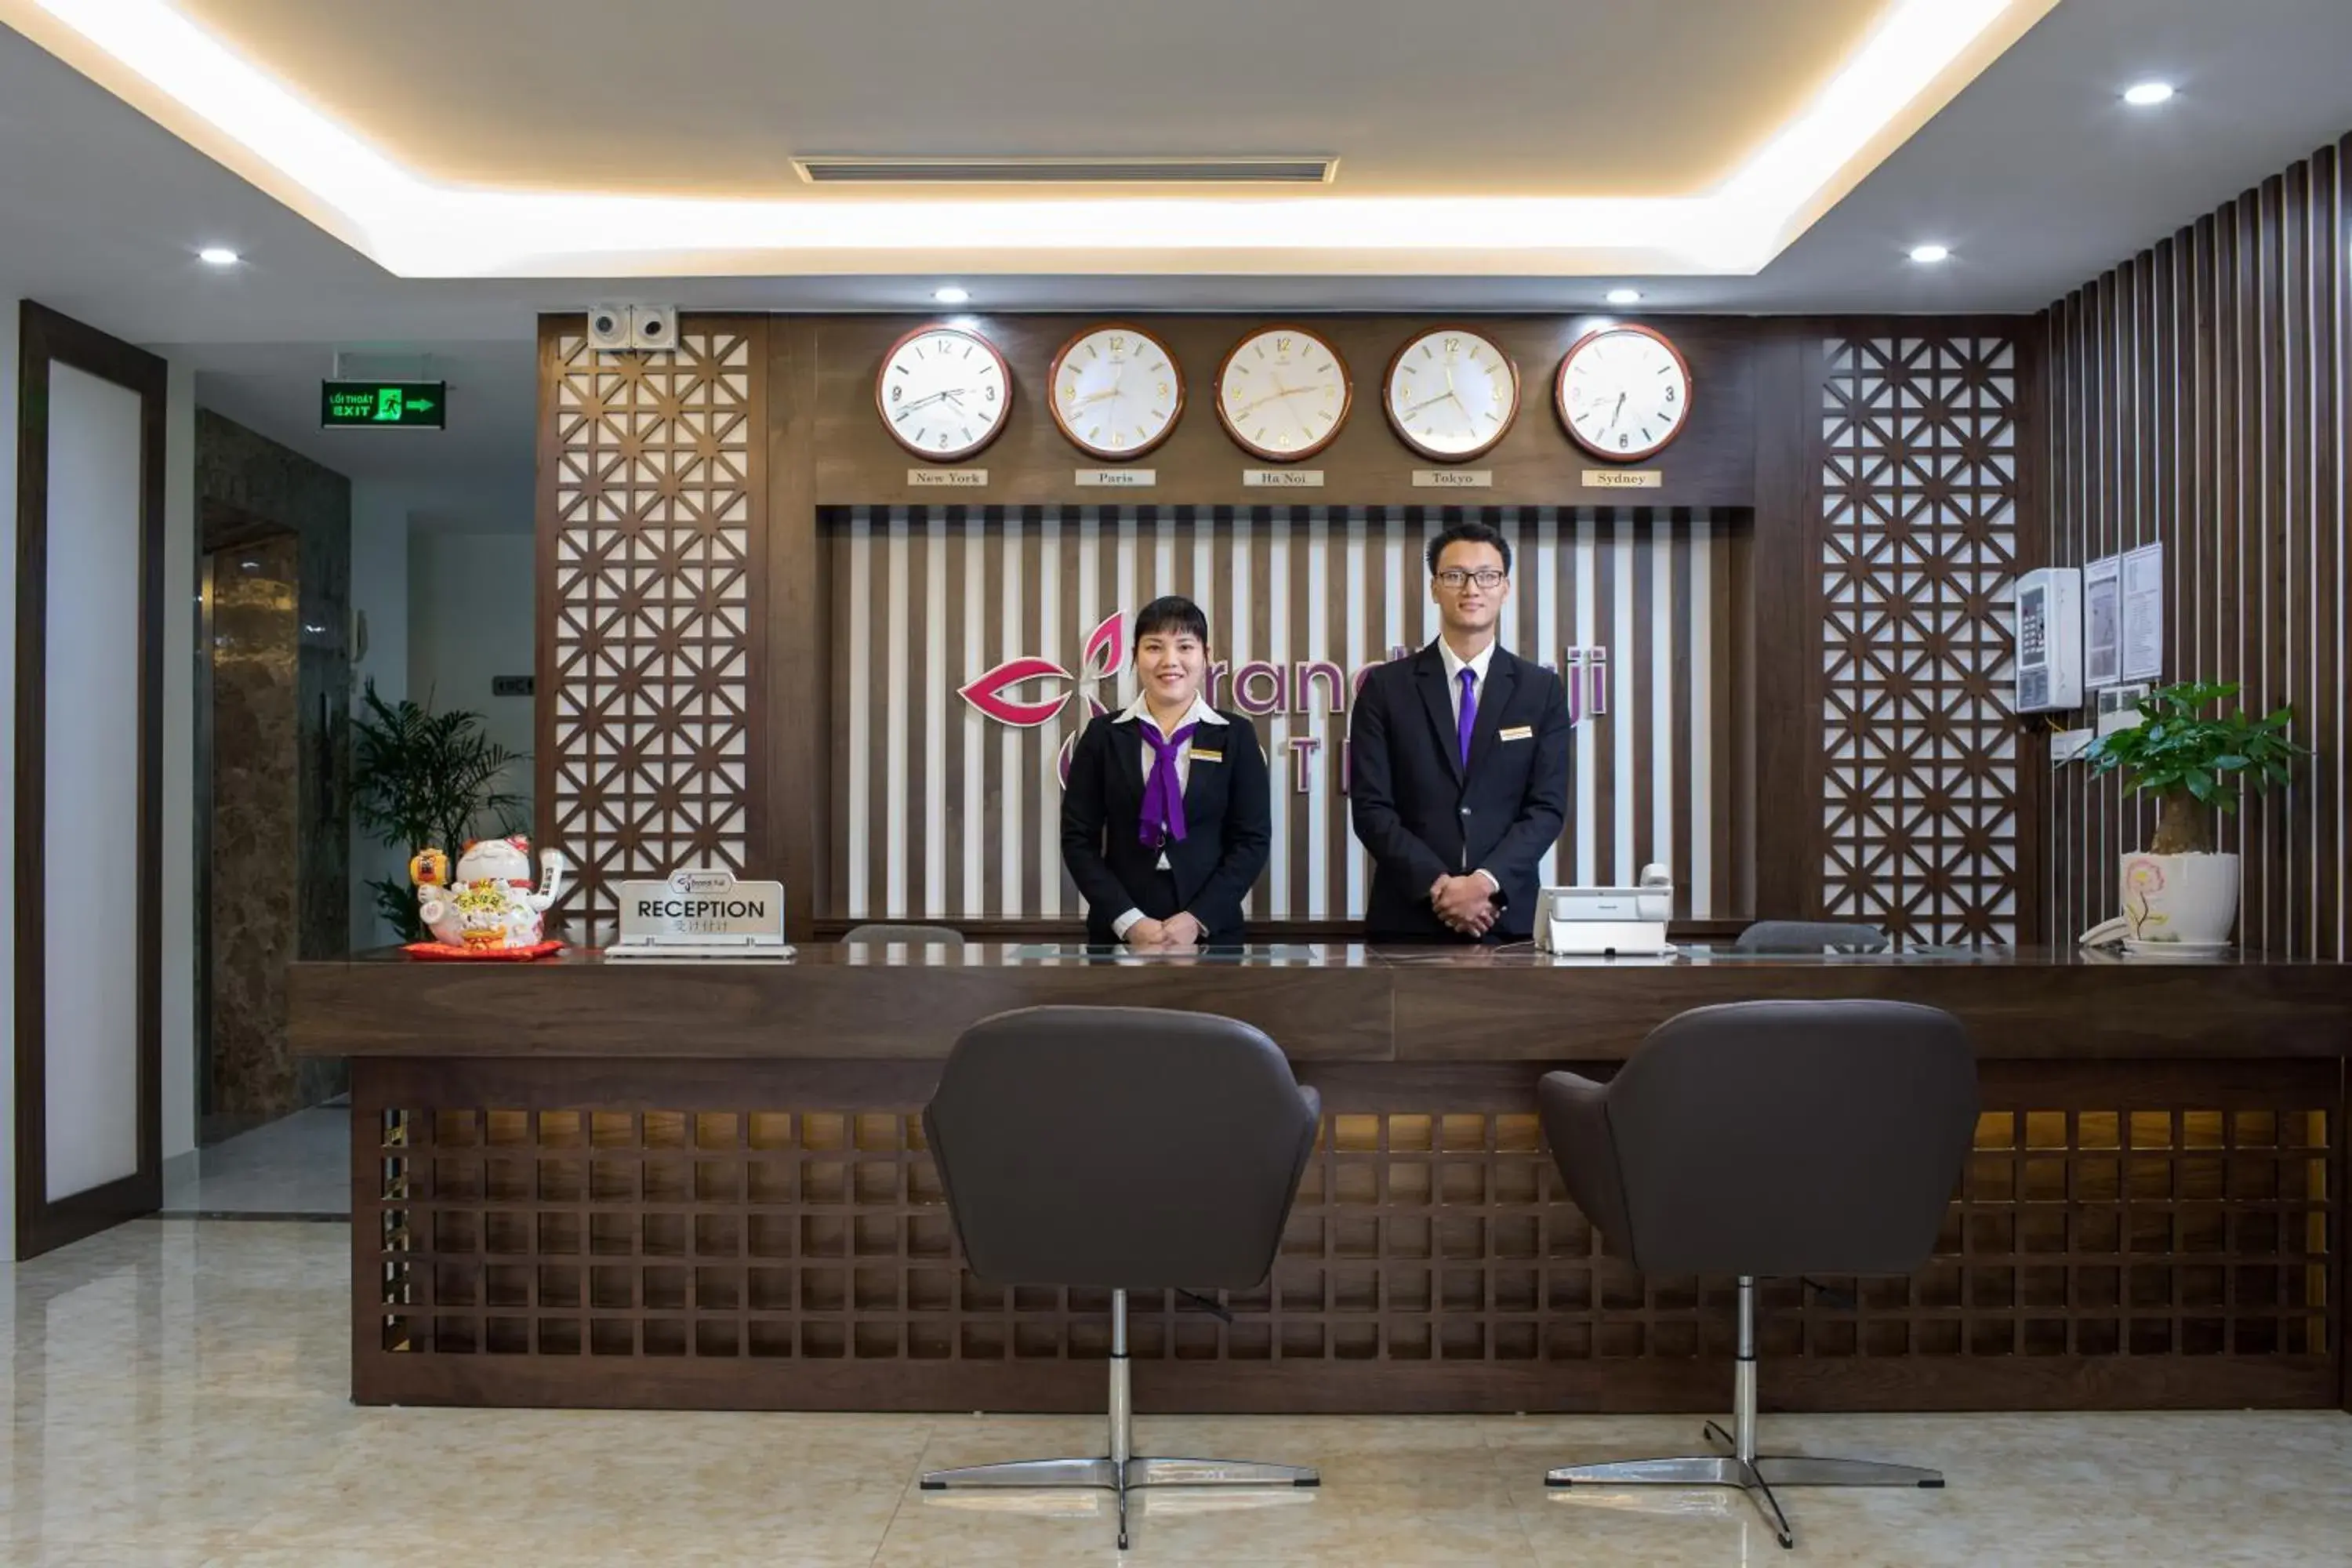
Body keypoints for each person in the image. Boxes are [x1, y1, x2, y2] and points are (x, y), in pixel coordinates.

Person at [1348, 521, 1572, 942]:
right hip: (1408, 919)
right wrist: (1440, 887)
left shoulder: (1540, 690)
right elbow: (1371, 808)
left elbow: (1547, 808)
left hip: (1507, 919)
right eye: (1455, 576)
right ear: (1435, 588)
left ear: (1505, 588)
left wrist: (1485, 883)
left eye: (1487, 576)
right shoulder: (1386, 687)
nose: (1472, 588)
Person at [1062, 595, 1272, 948]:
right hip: (1118, 932)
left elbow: (1252, 840)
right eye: (1154, 647)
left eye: (1185, 646)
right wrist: (1129, 921)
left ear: (1206, 656)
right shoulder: (1103, 736)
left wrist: (1198, 919)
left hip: (1211, 932)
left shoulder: (1235, 735)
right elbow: (1077, 840)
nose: (1169, 661)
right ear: (1135, 655)